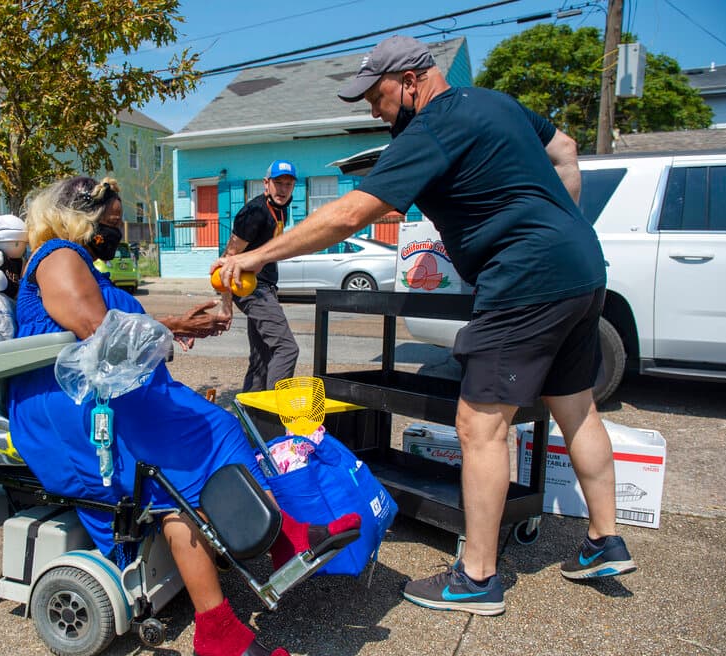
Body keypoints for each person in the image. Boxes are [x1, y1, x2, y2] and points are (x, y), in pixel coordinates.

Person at [212, 35, 636, 617]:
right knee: (577, 407)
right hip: (583, 269)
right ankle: (604, 541)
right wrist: (557, 228)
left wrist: (256, 257)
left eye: (377, 96)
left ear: (412, 81)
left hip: (525, 280)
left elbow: (351, 212)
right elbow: (563, 149)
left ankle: (478, 576)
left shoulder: (432, 127)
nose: (372, 110)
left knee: (480, 423)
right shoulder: (496, 103)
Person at [8, 176, 360, 656]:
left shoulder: (85, 263)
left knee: (218, 426)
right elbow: (97, 330)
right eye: (111, 220)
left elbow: (112, 321)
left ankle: (284, 541)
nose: (118, 229)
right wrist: (175, 328)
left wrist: (173, 322)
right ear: (78, 217)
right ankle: (222, 617)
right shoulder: (58, 256)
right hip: (69, 410)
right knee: (180, 466)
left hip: (110, 397)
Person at [221, 160, 300, 392]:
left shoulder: (280, 208)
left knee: (262, 360)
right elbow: (229, 255)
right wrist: (225, 305)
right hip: (251, 287)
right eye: (278, 183)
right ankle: (274, 415)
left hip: (265, 287)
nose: (283, 189)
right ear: (266, 184)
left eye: (288, 184)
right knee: (286, 348)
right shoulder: (255, 212)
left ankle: (250, 423)